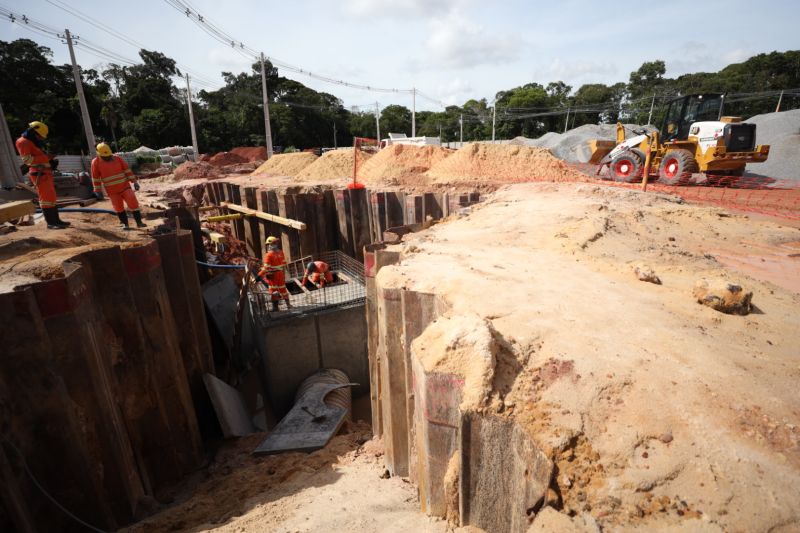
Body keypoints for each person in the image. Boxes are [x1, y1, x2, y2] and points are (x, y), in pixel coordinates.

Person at [15, 121, 70, 229]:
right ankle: (51, 223)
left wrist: (50, 159)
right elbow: (27, 160)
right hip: (39, 174)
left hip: (45, 172)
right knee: (46, 198)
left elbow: (38, 157)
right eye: (39, 136)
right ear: (33, 132)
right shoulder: (23, 142)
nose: (41, 138)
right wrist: (46, 157)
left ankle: (56, 220)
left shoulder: (32, 141)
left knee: (51, 197)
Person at [90, 142, 145, 229]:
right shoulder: (95, 162)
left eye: (108, 155)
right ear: (99, 154)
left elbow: (127, 170)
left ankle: (139, 223)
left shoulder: (117, 158)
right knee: (118, 207)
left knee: (133, 202)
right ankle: (125, 224)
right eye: (105, 156)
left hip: (125, 187)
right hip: (112, 191)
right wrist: (97, 191)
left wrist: (134, 182)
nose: (108, 157)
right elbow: (95, 178)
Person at [257, 236, 291, 311]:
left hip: (273, 275)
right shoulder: (281, 252)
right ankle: (288, 305)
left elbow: (266, 268)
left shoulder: (268, 255)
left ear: (271, 245)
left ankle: (275, 308)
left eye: (269, 244)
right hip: (280, 274)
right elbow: (283, 264)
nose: (268, 246)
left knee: (273, 290)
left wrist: (258, 276)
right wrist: (283, 275)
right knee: (283, 289)